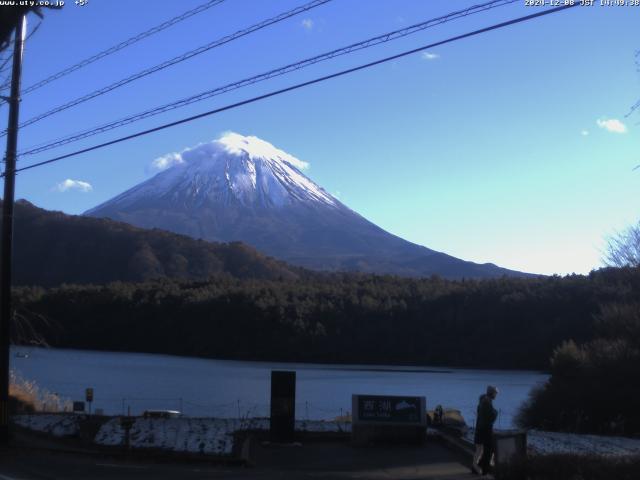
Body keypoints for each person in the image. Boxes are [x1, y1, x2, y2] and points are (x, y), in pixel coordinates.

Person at [471, 385, 498, 475]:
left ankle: (477, 466)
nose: (496, 395)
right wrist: (495, 412)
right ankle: (482, 468)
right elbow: (490, 417)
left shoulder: (484, 401)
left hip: (481, 429)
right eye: (495, 393)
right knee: (487, 449)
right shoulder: (486, 402)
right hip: (485, 429)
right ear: (492, 393)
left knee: (481, 449)